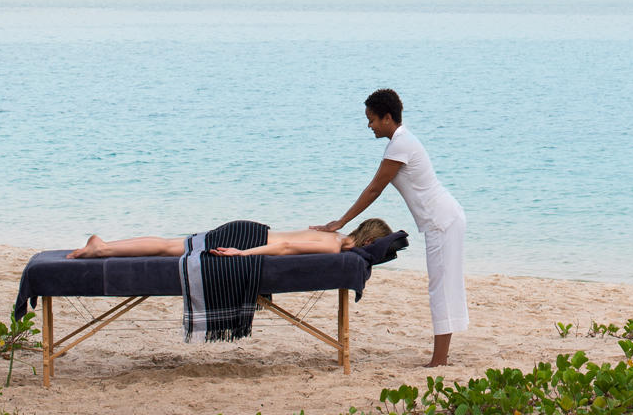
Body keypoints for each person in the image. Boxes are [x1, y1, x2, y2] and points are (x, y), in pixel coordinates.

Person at [314, 88, 466, 366]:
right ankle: (440, 357)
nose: (368, 125)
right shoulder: (402, 142)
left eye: (371, 119)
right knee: (444, 286)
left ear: (387, 118)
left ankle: (439, 360)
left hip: (442, 221)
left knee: (442, 288)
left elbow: (374, 189)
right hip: (444, 219)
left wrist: (341, 222)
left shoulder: (400, 145)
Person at [66, 218, 393, 259]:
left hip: (252, 230)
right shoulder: (332, 245)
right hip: (248, 238)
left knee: (172, 244)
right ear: (367, 242)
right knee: (170, 248)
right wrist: (243, 253)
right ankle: (104, 248)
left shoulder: (332, 234)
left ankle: (105, 245)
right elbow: (286, 246)